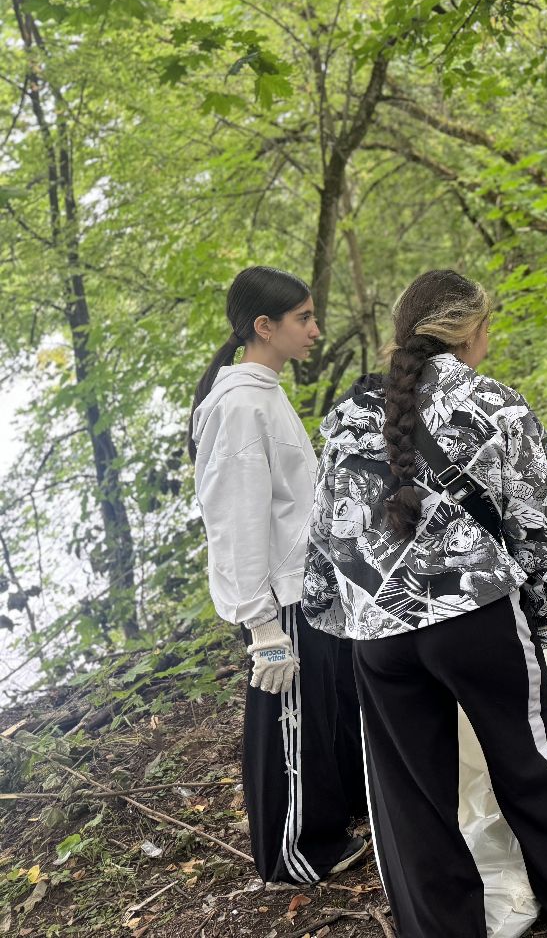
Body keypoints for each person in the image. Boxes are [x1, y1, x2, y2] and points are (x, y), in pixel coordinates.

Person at [302, 269, 547, 938]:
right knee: (529, 757)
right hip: (475, 615)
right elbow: (535, 524)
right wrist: (539, 611)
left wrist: (335, 620)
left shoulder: (345, 414)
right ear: (470, 333)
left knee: (411, 794)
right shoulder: (497, 405)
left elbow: (326, 531)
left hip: (378, 630)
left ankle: (442, 927)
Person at [189, 265, 368, 886]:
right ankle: (294, 852)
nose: (317, 330)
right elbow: (235, 521)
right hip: (276, 600)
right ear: (264, 327)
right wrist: (262, 626)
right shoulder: (240, 406)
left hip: (304, 587)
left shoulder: (263, 391)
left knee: (316, 715)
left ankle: (330, 822)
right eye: (304, 319)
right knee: (286, 723)